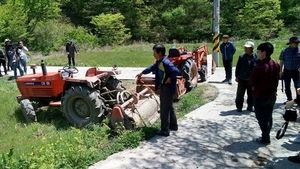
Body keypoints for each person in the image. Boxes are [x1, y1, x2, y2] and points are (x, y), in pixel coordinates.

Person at [135, 44, 179, 137]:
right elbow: (151, 68)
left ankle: (165, 130)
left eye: (154, 52)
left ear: (159, 53)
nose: (153, 54)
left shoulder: (165, 62)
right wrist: (141, 73)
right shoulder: (159, 62)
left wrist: (170, 78)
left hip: (167, 87)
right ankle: (173, 125)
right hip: (166, 87)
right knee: (169, 107)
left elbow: (175, 71)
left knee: (164, 109)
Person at [249, 42, 280, 144]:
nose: (257, 53)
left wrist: (254, 85)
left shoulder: (260, 66)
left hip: (261, 96)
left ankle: (265, 138)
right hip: (272, 95)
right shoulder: (276, 64)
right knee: (268, 117)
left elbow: (252, 81)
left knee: (262, 118)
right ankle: (266, 135)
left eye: (258, 51)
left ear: (264, 52)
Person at [235, 41, 258, 112]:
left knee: (251, 94)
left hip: (251, 79)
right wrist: (237, 76)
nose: (246, 49)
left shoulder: (256, 57)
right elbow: (238, 67)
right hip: (242, 78)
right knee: (240, 94)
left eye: (247, 48)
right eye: (245, 47)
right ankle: (239, 107)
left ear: (252, 48)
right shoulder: (242, 57)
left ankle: (250, 106)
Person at [279, 36, 300, 104]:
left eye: (297, 43)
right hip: (287, 71)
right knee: (287, 87)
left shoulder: (299, 51)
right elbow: (281, 61)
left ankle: (298, 100)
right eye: (295, 43)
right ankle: (289, 99)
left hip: (296, 71)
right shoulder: (284, 51)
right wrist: (280, 71)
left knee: (297, 86)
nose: (297, 44)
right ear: (291, 43)